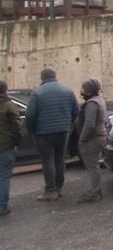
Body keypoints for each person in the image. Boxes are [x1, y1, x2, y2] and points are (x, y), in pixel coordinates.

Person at [25, 68, 79, 201]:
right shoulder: (68, 91)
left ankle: (50, 190)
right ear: (55, 76)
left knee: (47, 160)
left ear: (42, 78)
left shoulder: (37, 93)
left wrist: (32, 130)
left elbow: (30, 115)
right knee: (60, 159)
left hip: (43, 133)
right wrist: (68, 125)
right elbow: (76, 111)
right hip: (63, 131)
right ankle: (59, 187)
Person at [76, 79, 107, 204]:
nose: (81, 91)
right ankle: (96, 191)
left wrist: (82, 139)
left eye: (83, 88)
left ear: (89, 90)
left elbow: (89, 124)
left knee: (92, 166)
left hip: (93, 139)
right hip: (99, 136)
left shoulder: (92, 104)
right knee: (94, 166)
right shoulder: (98, 100)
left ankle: (94, 192)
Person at [0, 81, 22, 216]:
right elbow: (17, 128)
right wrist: (17, 142)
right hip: (5, 146)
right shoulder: (9, 106)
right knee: (3, 177)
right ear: (5, 90)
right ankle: (2, 206)